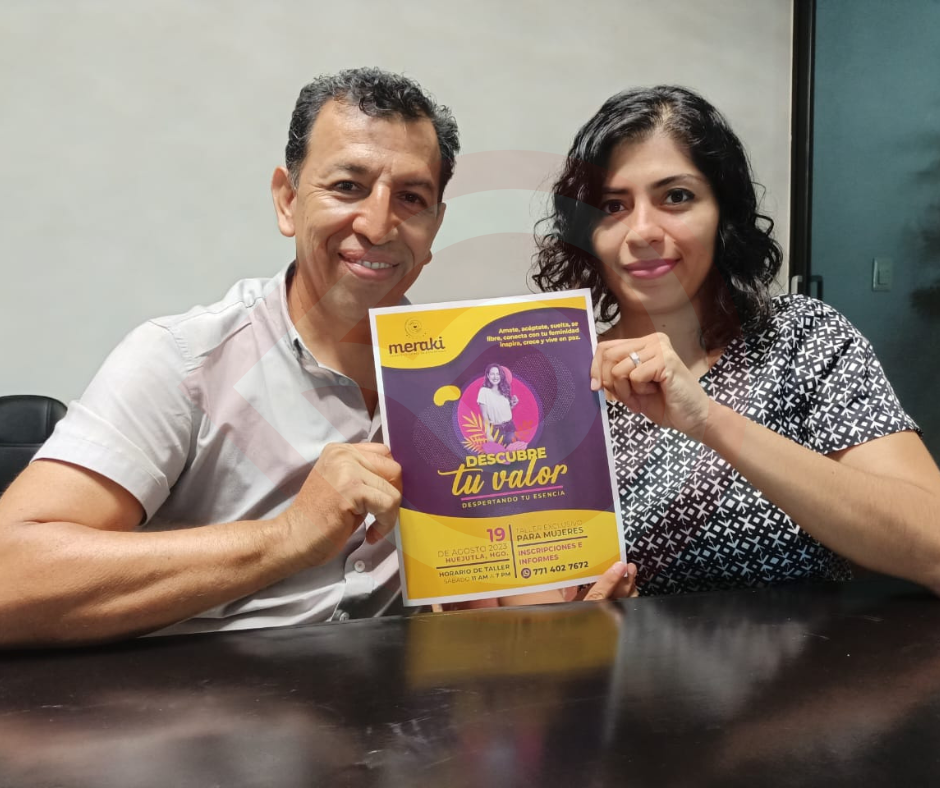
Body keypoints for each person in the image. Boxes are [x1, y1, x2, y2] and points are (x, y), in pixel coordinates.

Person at [0, 68, 633, 648]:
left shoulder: (468, 374)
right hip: (194, 717)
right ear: (287, 199)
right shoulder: (185, 360)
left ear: (436, 224)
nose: (378, 225)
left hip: (398, 715)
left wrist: (547, 618)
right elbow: (10, 578)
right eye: (347, 186)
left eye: (411, 198)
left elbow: (501, 611)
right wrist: (287, 537)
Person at [533, 85, 940, 596]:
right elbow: (525, 588)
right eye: (613, 205)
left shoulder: (803, 340)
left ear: (723, 212)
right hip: (626, 652)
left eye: (676, 197)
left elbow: (933, 547)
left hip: (815, 648)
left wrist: (709, 419)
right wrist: (571, 616)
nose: (642, 231)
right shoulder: (560, 382)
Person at [477, 363, 518, 445]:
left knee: (513, 451)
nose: (495, 377)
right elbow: (485, 416)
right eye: (492, 374)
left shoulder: (504, 389)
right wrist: (488, 435)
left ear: (501, 376)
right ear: (488, 376)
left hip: (510, 427)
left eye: (497, 374)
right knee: (499, 452)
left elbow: (503, 411)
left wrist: (512, 404)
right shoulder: (484, 391)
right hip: (496, 430)